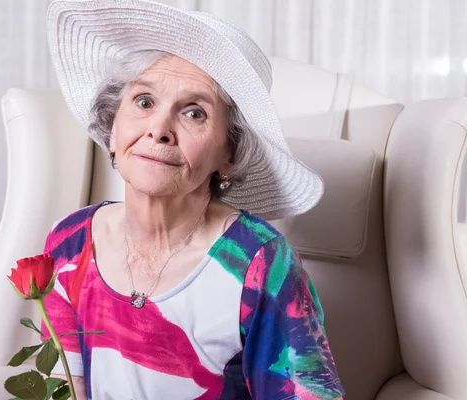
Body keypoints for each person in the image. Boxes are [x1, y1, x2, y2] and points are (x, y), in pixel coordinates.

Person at [41, 1, 345, 399]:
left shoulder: (260, 263)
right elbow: (67, 389)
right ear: (112, 127)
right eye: (144, 102)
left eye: (194, 113)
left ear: (229, 154)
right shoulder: (70, 242)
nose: (159, 129)